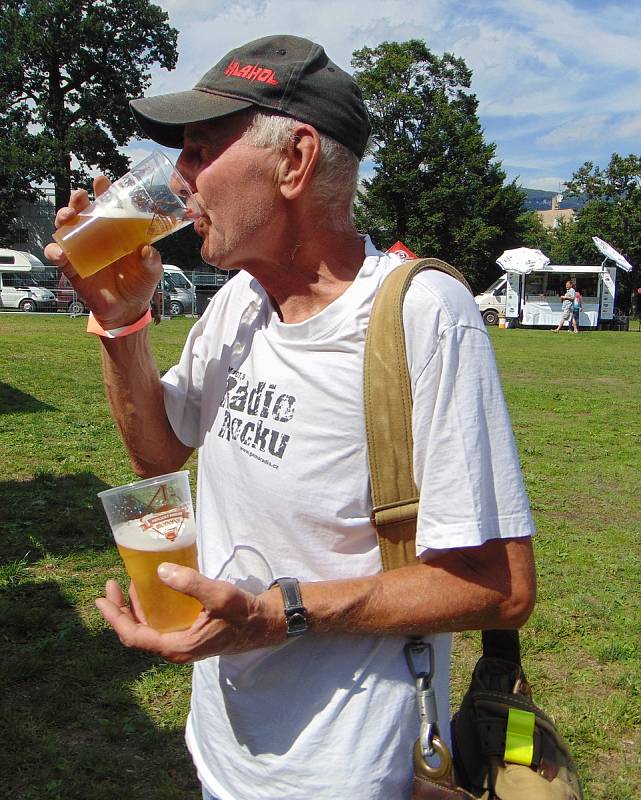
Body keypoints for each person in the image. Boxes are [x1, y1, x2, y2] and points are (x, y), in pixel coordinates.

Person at [45, 35, 536, 800]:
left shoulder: (421, 315)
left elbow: (499, 588)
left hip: (351, 772)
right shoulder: (239, 300)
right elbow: (156, 455)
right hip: (223, 747)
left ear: (294, 160)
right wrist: (122, 322)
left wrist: (280, 616)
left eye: (201, 149)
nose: (177, 180)